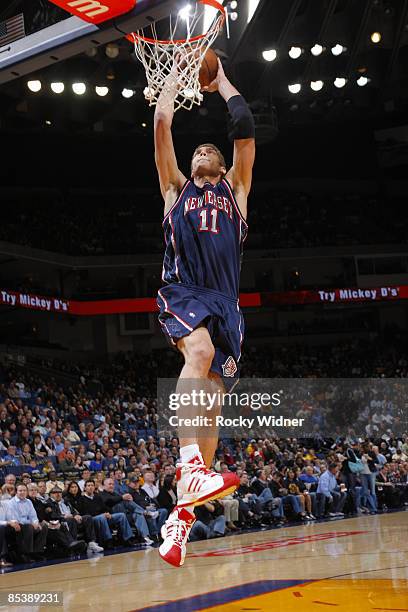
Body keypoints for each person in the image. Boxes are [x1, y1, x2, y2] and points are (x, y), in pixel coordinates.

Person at [154, 53, 255, 567]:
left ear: (221, 165)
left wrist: (221, 84)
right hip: (185, 287)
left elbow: (244, 128)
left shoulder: (236, 190)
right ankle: (189, 463)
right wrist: (171, 81)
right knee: (198, 350)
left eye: (209, 149)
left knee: (212, 403)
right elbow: (162, 126)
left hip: (227, 304)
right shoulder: (176, 190)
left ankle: (181, 518)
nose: (202, 150)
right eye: (197, 149)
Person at [47, 486, 103, 554]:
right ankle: (73, 544)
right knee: (71, 520)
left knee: (88, 518)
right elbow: (52, 515)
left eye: (59, 492)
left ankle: (92, 543)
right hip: (62, 521)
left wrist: (76, 515)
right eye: (55, 493)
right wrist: (64, 516)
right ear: (51, 494)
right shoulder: (49, 503)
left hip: (72, 518)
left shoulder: (65, 501)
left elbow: (73, 510)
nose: (58, 494)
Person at [5, 484, 48, 563]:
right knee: (28, 527)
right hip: (18, 526)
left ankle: (37, 552)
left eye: (24, 490)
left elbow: (33, 516)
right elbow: (16, 519)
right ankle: (26, 553)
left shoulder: (28, 502)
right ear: (16, 492)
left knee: (43, 526)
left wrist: (35, 522)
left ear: (27, 492)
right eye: (20, 491)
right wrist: (31, 523)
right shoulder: (11, 503)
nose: (22, 492)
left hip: (29, 525)